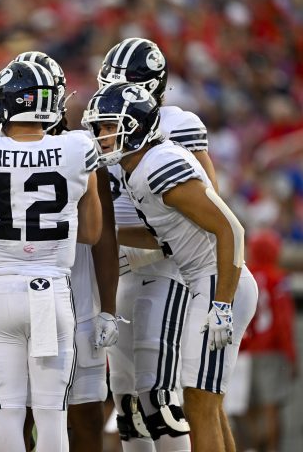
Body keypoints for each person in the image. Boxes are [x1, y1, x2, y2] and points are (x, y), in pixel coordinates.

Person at [84, 82, 258, 452]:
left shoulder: (158, 163)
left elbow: (231, 228)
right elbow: (160, 236)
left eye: (107, 126)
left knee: (198, 404)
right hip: (205, 280)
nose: (100, 136)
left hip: (217, 281)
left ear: (134, 125)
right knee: (206, 404)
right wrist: (104, 233)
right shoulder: (139, 167)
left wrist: (222, 303)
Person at [0, 60, 102, 452]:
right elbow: (92, 232)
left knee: (6, 416)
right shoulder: (77, 149)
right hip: (52, 291)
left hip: (1, 290)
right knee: (52, 417)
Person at [96, 37, 223, 452]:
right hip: (123, 263)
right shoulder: (99, 122)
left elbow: (209, 200)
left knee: (161, 398)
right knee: (127, 404)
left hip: (166, 262)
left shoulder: (177, 124)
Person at [14, 50, 120, 452]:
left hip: (73, 294)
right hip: (22, 293)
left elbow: (103, 236)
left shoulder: (81, 148)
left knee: (85, 413)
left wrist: (107, 306)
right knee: (18, 411)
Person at [239, 229, 296, 452]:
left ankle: (253, 446)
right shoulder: (278, 279)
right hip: (272, 350)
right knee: (271, 408)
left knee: (249, 407)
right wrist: (291, 354)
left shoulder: (247, 276)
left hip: (247, 349)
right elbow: (283, 321)